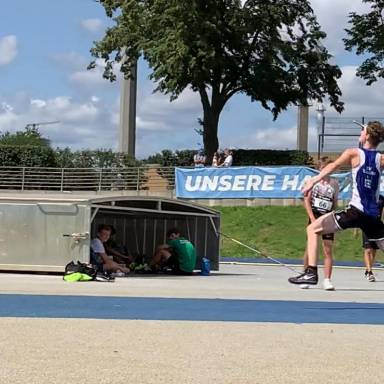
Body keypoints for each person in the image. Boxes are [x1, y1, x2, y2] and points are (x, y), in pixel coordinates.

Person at [288, 120, 384, 286]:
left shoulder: (353, 153)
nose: (360, 134)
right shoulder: (381, 159)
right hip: (372, 216)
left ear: (367, 135)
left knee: (312, 229)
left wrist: (313, 181)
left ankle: (311, 272)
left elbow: (332, 166)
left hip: (356, 212)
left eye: (362, 132)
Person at [302, 157, 339, 290]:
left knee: (328, 248)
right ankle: (307, 274)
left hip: (327, 216)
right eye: (323, 167)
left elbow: (335, 202)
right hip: (315, 215)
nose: (326, 170)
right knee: (310, 247)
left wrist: (333, 217)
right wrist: (312, 218)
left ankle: (327, 279)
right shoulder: (312, 181)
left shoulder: (334, 183)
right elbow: (306, 200)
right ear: (319, 168)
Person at [362, 194, 384, 282]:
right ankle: (370, 272)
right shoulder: (365, 196)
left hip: (377, 226)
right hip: (366, 225)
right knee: (368, 249)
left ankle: (368, 269)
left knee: (374, 250)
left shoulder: (381, 199)